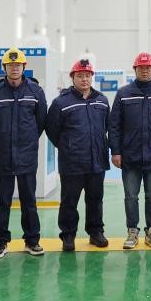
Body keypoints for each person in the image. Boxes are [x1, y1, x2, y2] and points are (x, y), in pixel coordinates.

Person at [109, 52, 151, 250]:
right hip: (130, 155)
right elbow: (115, 125)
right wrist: (116, 151)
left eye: (148, 67)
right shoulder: (123, 94)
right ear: (135, 70)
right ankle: (132, 232)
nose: (145, 70)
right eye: (141, 67)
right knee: (131, 196)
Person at [0, 47, 48, 259]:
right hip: (2, 155)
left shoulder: (35, 91)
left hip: (27, 155)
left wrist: (27, 140)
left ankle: (32, 240)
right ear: (4, 68)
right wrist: (4, 137)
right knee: (2, 201)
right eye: (11, 65)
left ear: (24, 67)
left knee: (29, 200)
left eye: (18, 65)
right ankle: (0, 242)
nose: (14, 68)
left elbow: (41, 121)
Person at [45, 58, 111, 251]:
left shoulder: (102, 100)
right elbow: (52, 129)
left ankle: (95, 232)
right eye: (80, 76)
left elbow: (108, 126)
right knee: (69, 201)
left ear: (92, 77)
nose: (84, 79)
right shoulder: (61, 102)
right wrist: (67, 146)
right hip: (72, 162)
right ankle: (68, 235)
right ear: (72, 78)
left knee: (95, 199)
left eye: (88, 75)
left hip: (97, 160)